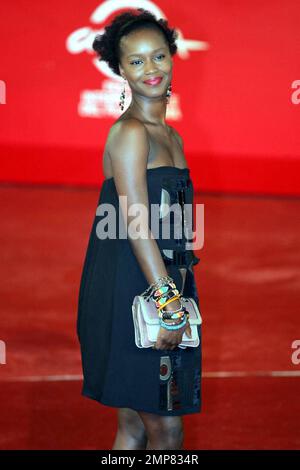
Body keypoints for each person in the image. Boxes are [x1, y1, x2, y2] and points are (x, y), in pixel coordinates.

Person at [77, 8, 202, 450]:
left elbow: (180, 224)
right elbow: (133, 221)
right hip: (136, 285)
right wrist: (169, 303)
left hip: (161, 279)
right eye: (136, 61)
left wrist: (181, 288)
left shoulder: (171, 135)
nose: (151, 70)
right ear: (120, 71)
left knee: (133, 425)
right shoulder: (130, 133)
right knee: (166, 428)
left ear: (173, 56)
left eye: (159, 56)